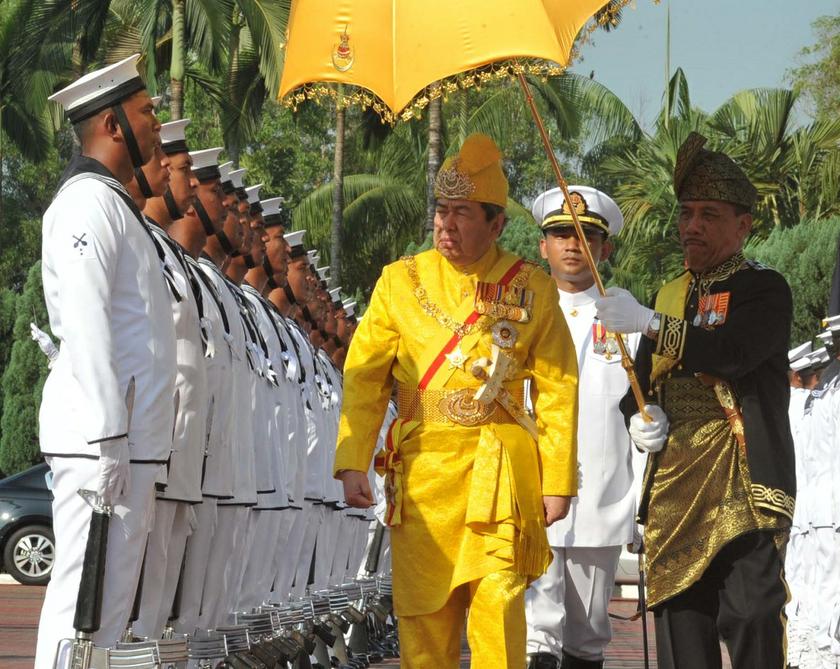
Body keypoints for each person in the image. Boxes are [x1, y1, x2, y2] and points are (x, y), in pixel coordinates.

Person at [334, 133, 579, 669]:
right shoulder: (398, 282)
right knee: (424, 619)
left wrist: (558, 480)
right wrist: (353, 461)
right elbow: (365, 378)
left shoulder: (532, 288)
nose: (446, 224)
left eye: (462, 213)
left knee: (498, 605)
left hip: (498, 471)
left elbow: (559, 389)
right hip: (422, 476)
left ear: (496, 225)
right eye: (441, 211)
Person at [595, 132, 794, 668]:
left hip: (743, 483)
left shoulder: (764, 289)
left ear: (743, 225)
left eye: (708, 214)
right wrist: (642, 416)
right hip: (676, 488)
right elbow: (637, 387)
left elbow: (732, 353)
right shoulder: (667, 294)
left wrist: (651, 324)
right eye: (686, 213)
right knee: (684, 638)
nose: (692, 226)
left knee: (753, 618)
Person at [35, 54, 176, 668]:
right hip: (102, 440)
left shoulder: (116, 207)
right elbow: (89, 324)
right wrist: (109, 434)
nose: (154, 123)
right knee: (80, 605)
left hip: (125, 439)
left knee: (109, 615)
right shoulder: (84, 206)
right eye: (145, 112)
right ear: (111, 124)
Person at [526, 186, 644, 669]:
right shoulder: (518, 313)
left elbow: (643, 409)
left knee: (587, 635)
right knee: (536, 631)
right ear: (543, 247)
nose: (572, 245)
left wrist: (643, 494)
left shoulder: (626, 316)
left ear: (604, 249)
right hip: (530, 491)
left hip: (600, 496)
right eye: (560, 234)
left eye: (585, 236)